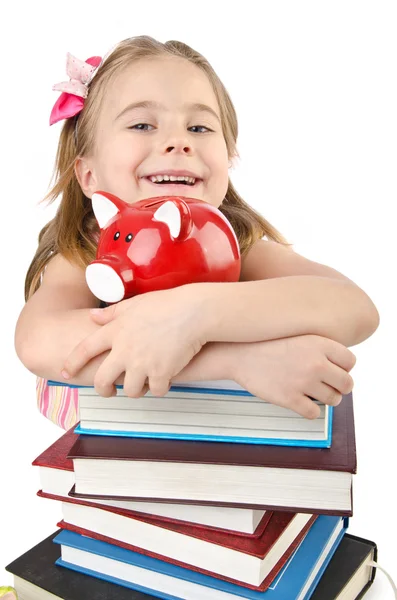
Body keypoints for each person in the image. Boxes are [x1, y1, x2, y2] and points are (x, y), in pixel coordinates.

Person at [15, 35, 379, 431]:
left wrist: (197, 313)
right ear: (88, 174)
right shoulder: (85, 253)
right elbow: (39, 341)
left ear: (229, 157)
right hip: (116, 474)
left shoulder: (232, 248)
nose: (179, 142)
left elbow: (356, 309)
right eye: (142, 124)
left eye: (200, 127)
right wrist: (234, 359)